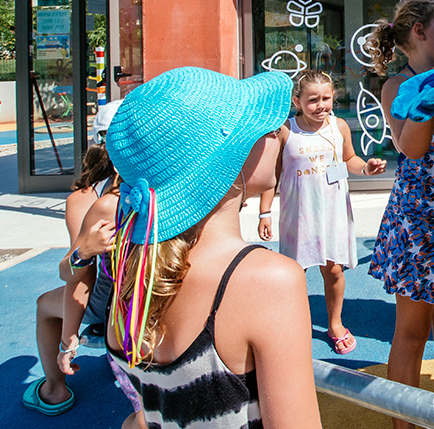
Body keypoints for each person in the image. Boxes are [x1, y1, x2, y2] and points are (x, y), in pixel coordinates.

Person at [103, 66, 321, 428]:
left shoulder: (132, 268)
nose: (279, 133)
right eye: (264, 126)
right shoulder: (268, 280)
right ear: (231, 160)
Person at [365, 0, 434, 429]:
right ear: (419, 32)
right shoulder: (397, 86)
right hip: (419, 219)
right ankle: (402, 423)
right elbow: (412, 146)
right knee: (411, 329)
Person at [257, 70, 385, 355]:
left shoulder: (339, 127)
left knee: (334, 270)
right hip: (298, 215)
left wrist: (366, 167)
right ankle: (294, 324)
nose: (320, 105)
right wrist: (264, 212)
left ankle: (335, 323)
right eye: (312, 99)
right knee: (293, 273)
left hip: (333, 213)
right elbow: (271, 175)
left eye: (326, 98)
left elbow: (349, 159)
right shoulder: (286, 130)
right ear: (297, 101)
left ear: (334, 98)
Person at [24, 101, 124, 417]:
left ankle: (54, 390)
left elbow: (78, 275)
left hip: (111, 301)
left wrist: (69, 340)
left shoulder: (87, 199)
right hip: (152, 292)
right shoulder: (165, 187)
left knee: (44, 305)